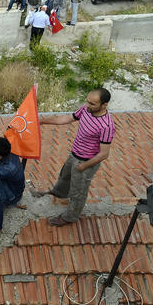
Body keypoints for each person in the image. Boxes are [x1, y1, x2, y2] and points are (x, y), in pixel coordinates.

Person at [33, 88, 115, 226]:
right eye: (87, 101)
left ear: (104, 104)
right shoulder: (86, 109)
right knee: (64, 177)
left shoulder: (107, 126)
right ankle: (58, 194)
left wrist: (83, 166)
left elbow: (104, 153)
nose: (88, 105)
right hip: (74, 154)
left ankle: (70, 217)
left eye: (93, 104)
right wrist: (43, 121)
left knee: (78, 192)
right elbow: (68, 118)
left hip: (86, 162)